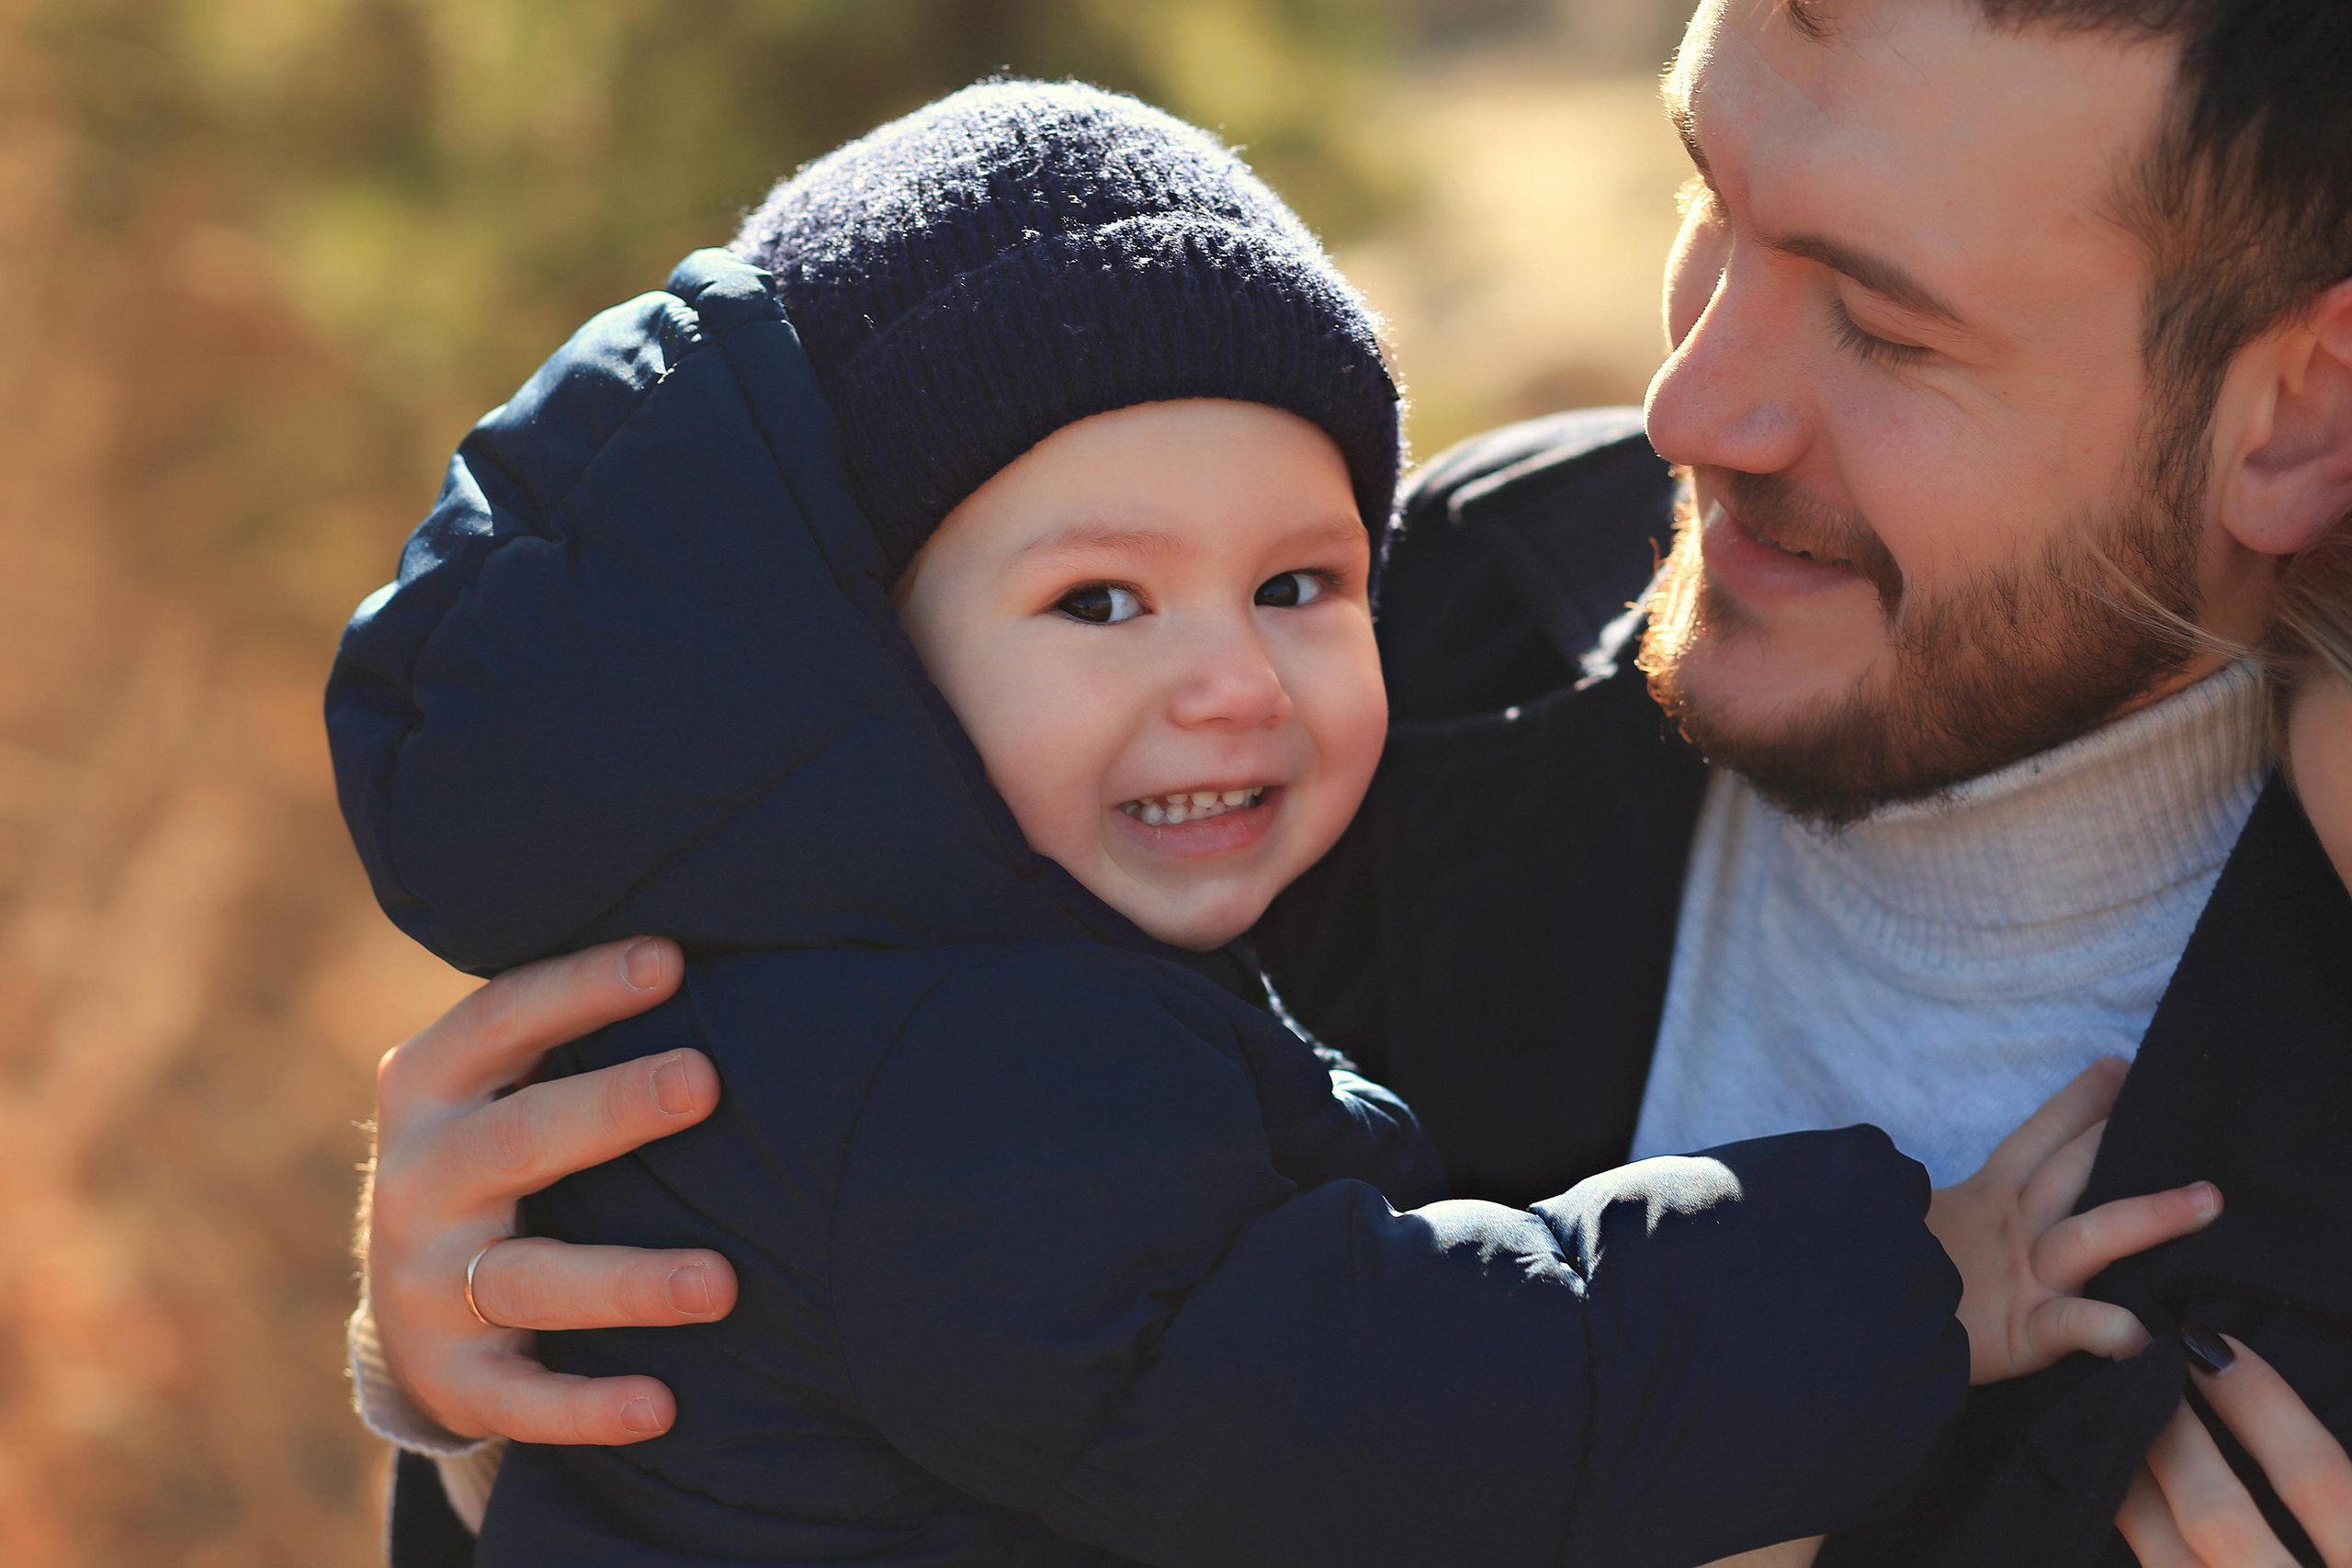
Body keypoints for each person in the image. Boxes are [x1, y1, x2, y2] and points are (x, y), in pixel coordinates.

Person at [355, 2, 2352, 1563]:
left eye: (1881, 325)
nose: (1689, 403)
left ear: (2297, 411)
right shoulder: (1412, 627)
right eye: (1706, 206)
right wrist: (531, 1400)